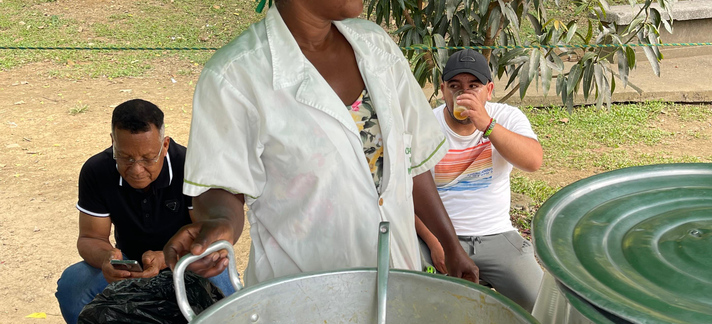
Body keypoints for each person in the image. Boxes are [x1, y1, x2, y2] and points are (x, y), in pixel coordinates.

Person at [162, 0, 479, 286]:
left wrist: (451, 246)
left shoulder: (376, 47)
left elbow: (412, 164)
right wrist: (221, 222)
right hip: (305, 296)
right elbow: (221, 185)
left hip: (398, 279)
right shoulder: (234, 77)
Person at [56, 99, 236, 324]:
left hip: (187, 260)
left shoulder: (190, 167)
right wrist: (108, 259)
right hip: (129, 263)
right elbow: (90, 238)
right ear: (113, 143)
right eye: (125, 157)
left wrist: (166, 258)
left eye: (148, 158)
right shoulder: (96, 170)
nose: (136, 169)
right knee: (73, 285)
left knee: (224, 291)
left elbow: (208, 238)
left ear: (165, 145)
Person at [416, 49, 544, 311]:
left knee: (542, 307)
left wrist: (487, 124)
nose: (463, 94)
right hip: (438, 236)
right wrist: (434, 241)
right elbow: (407, 192)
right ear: (442, 89)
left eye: (474, 86)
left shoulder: (506, 117)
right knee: (415, 301)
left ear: (489, 90)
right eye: (455, 86)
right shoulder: (425, 124)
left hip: (495, 234)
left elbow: (533, 161)